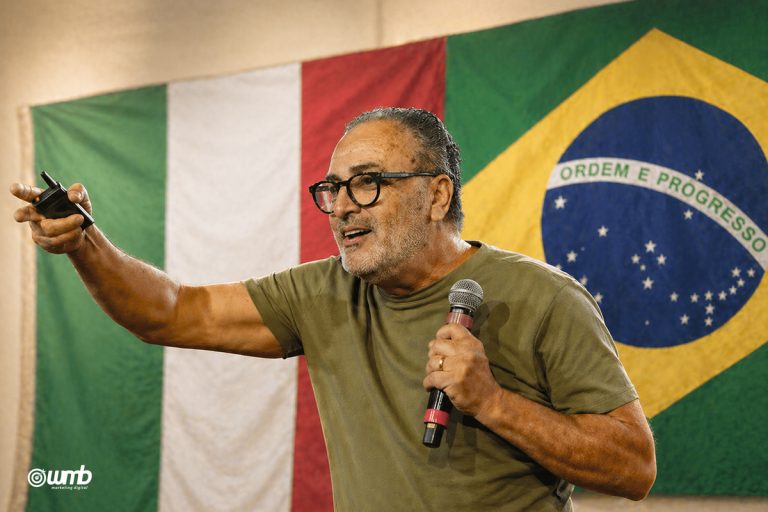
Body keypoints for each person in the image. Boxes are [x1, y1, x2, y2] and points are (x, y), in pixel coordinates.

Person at [12, 107, 655, 510]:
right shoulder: (322, 293)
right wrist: (85, 242)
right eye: (332, 189)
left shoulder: (545, 297)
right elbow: (170, 311)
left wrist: (492, 402)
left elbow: (633, 466)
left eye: (368, 183)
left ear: (437, 196)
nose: (343, 206)